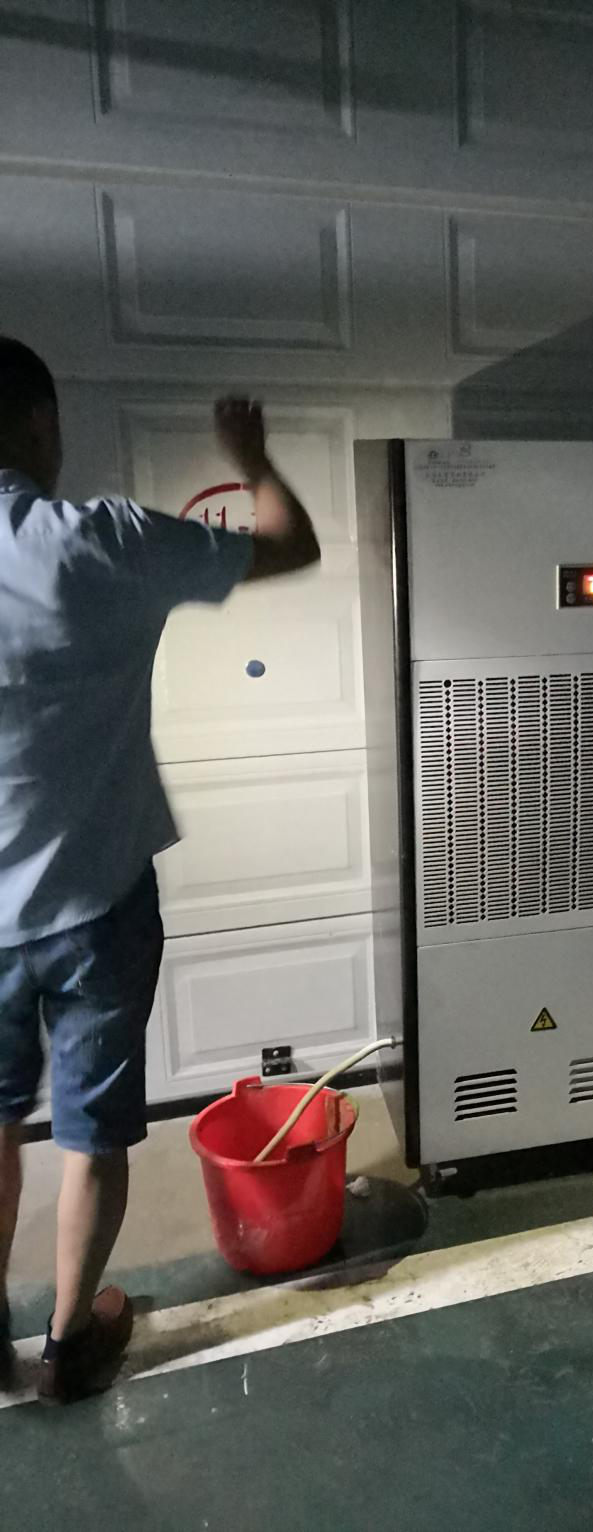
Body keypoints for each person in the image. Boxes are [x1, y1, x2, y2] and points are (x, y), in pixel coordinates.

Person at [0, 337, 320, 1404]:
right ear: (40, 425)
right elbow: (289, 545)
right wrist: (252, 458)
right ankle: (69, 1341)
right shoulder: (101, 541)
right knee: (91, 1136)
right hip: (96, 903)